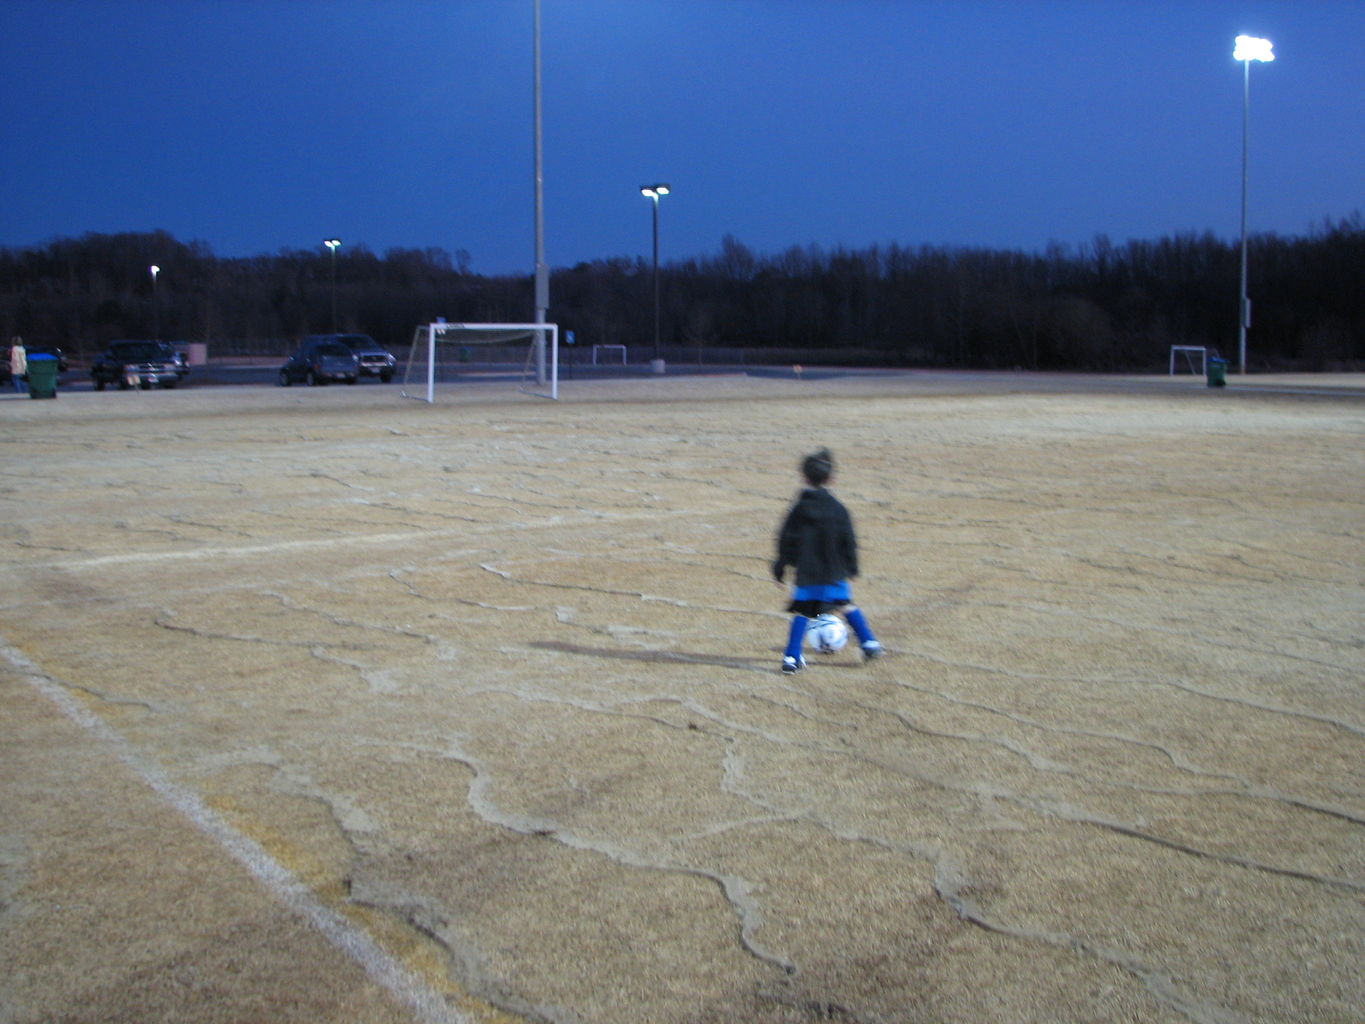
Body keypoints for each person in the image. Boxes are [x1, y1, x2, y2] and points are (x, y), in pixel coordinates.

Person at [772, 447, 883, 673]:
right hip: (834, 571)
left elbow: (786, 540)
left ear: (804, 478)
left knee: (803, 611)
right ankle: (869, 643)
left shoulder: (797, 510)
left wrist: (780, 568)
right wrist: (851, 567)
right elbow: (848, 540)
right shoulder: (839, 509)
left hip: (807, 573)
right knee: (844, 604)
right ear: (831, 479)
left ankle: (791, 659)